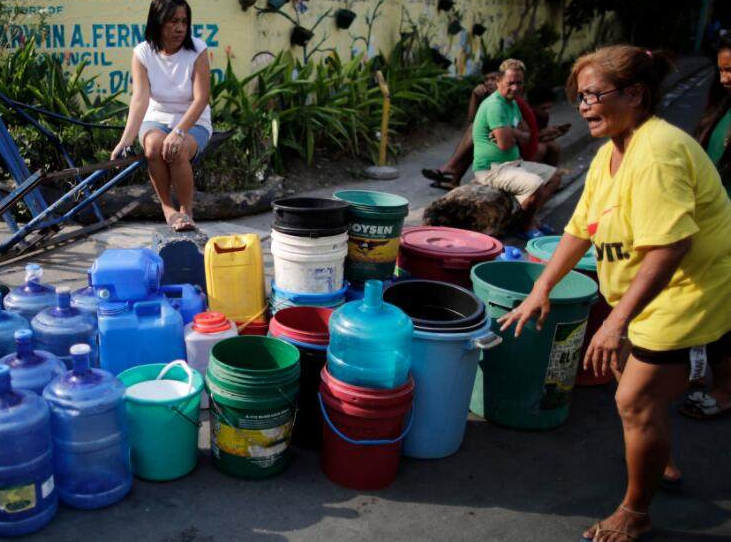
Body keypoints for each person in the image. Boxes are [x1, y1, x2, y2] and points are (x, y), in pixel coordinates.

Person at [500, 45, 731, 542]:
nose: (582, 107)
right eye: (578, 97)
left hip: (687, 288)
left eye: (591, 96)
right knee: (631, 378)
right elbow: (580, 228)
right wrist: (541, 288)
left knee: (633, 400)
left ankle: (635, 512)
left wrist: (614, 322)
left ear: (635, 95)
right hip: (644, 287)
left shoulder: (657, 152)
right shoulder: (611, 151)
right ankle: (657, 454)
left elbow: (671, 248)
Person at [111, 0, 212, 232]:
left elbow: (201, 98)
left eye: (184, 22)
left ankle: (186, 211)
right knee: (154, 146)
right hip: (157, 118)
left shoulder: (198, 50)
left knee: (176, 149)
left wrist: (179, 132)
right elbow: (140, 99)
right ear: (158, 22)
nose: (180, 28)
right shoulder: (142, 53)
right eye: (173, 21)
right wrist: (125, 140)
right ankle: (168, 209)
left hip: (194, 120)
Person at [471, 58, 562, 238]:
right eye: (510, 83)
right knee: (535, 184)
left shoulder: (512, 103)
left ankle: (529, 219)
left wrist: (512, 132)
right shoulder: (495, 105)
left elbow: (525, 136)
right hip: (492, 170)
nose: (515, 87)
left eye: (519, 83)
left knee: (555, 177)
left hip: (512, 163)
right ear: (498, 81)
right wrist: (515, 135)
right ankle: (525, 226)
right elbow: (506, 144)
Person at [421, 72, 500, 189]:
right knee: (475, 132)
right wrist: (474, 96)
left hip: (512, 146)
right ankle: (453, 178)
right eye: (486, 79)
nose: (488, 83)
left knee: (475, 130)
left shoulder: (505, 98)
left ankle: (450, 167)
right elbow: (472, 118)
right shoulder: (490, 99)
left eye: (493, 79)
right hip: (498, 139)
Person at [528, 86, 570, 167]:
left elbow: (543, 137)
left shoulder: (544, 116)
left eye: (549, 108)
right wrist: (542, 134)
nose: (547, 111)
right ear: (533, 106)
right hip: (526, 145)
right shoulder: (526, 116)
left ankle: (551, 172)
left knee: (555, 147)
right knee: (540, 149)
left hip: (537, 139)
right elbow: (526, 139)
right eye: (543, 109)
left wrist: (556, 133)